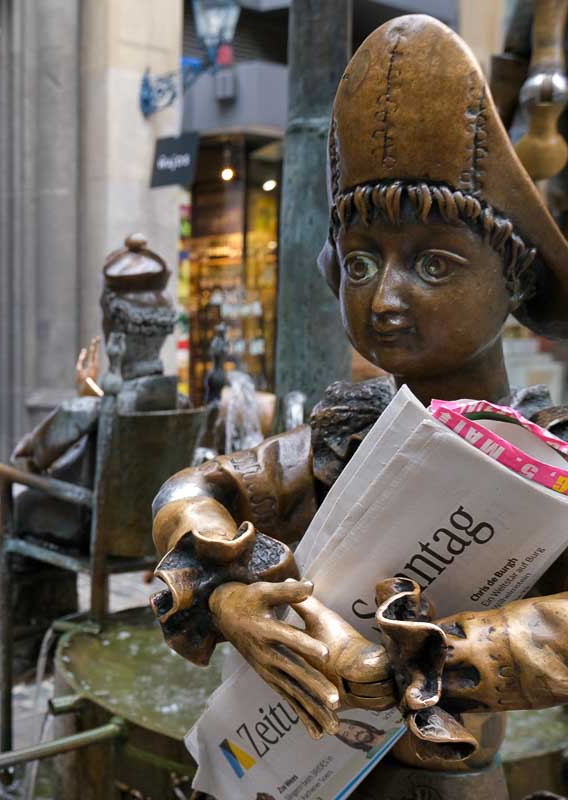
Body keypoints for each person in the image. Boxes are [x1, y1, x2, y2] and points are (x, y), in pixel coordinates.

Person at [149, 14, 568, 791]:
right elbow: (194, 490)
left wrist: (439, 655)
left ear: (512, 281)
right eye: (362, 262)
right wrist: (234, 594)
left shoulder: (550, 458)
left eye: (434, 264)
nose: (385, 296)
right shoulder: (352, 437)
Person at [0, 234, 184, 679]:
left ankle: (24, 653)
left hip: (89, 528)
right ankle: (51, 640)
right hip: (146, 531)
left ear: (112, 329)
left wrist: (84, 400)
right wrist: (94, 391)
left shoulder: (89, 409)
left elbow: (30, 456)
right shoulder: (181, 403)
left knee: (8, 515)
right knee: (36, 512)